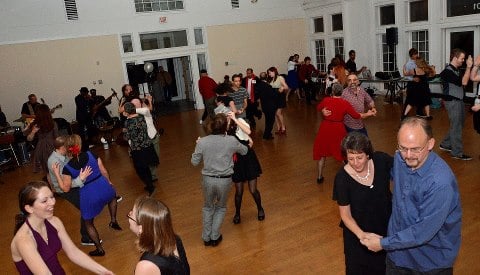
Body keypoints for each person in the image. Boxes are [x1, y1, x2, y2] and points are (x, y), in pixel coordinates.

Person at [361, 117, 462, 274]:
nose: (408, 155)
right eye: (403, 148)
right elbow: (390, 175)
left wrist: (383, 243)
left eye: (415, 149)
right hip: (397, 257)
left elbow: (422, 232)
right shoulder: (401, 160)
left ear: (430, 144)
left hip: (430, 262)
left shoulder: (440, 183)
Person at [11, 181, 114, 274]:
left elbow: (73, 252)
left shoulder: (54, 222)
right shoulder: (24, 240)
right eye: (44, 201)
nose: (52, 202)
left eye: (52, 197)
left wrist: (103, 271)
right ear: (29, 208)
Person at [51, 134, 122, 256]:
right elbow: (103, 171)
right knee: (112, 197)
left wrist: (57, 173)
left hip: (88, 193)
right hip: (102, 184)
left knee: (88, 222)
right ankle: (113, 220)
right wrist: (108, 182)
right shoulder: (91, 154)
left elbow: (65, 188)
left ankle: (99, 249)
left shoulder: (67, 168)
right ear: (80, 144)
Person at [332, 132, 393, 275]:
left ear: (368, 154)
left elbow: (404, 173)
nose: (355, 163)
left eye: (359, 157)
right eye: (350, 158)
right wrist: (363, 236)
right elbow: (345, 215)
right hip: (358, 235)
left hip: (385, 228)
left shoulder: (381, 160)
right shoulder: (342, 179)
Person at [191, 113, 248, 247]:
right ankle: (215, 236)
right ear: (225, 127)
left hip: (208, 180)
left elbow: (194, 162)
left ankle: (206, 237)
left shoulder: (203, 142)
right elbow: (245, 151)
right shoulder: (231, 141)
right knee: (221, 208)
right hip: (225, 180)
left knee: (208, 207)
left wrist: (198, 145)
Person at [314, 83, 375, 183]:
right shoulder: (344, 103)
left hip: (325, 128)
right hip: (338, 128)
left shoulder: (326, 100)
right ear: (341, 92)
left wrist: (323, 111)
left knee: (322, 153)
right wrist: (368, 113)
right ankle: (351, 175)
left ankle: (319, 177)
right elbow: (356, 116)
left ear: (332, 91)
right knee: (342, 153)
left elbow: (318, 107)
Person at [219, 108, 264, 225]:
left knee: (253, 190)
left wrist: (235, 119)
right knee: (238, 191)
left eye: (228, 114)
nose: (227, 116)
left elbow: (248, 132)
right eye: (225, 115)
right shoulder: (223, 128)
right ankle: (237, 213)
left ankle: (260, 208)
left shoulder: (239, 121)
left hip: (248, 156)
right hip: (236, 159)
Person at [47, 136, 93, 245]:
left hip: (71, 184)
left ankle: (87, 233)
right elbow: (65, 184)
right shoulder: (54, 161)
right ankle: (85, 237)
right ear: (62, 147)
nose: (70, 147)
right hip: (65, 189)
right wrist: (81, 180)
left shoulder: (63, 155)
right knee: (86, 207)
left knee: (88, 206)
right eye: (67, 146)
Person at [128, 196, 190, 274]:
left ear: (141, 228)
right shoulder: (174, 238)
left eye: (131, 214)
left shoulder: (146, 266)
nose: (129, 214)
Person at [438, 48, 473, 161]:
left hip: (459, 101)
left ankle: (445, 144)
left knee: (458, 124)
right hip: (452, 102)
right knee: (457, 126)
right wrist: (469, 67)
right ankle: (457, 153)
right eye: (462, 58)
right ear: (455, 58)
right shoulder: (447, 72)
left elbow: (465, 82)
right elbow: (463, 82)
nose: (463, 60)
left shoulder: (457, 70)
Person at [123, 102, 159, 195]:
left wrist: (124, 131)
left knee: (140, 170)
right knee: (146, 167)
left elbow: (126, 138)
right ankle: (149, 184)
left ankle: (151, 187)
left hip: (138, 150)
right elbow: (147, 110)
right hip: (148, 146)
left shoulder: (127, 122)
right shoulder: (142, 117)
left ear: (126, 112)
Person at [24, 104, 58, 174]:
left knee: (47, 171)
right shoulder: (52, 123)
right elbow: (57, 137)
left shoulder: (36, 124)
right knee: (55, 169)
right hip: (52, 147)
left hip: (41, 148)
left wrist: (32, 131)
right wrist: (33, 131)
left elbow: (29, 139)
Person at [255, 72, 277, 140]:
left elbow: (257, 96)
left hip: (264, 106)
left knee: (267, 120)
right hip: (270, 106)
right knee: (271, 121)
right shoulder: (268, 86)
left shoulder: (258, 85)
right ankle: (266, 135)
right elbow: (274, 96)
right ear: (266, 77)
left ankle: (267, 133)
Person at [267, 67, 289, 135]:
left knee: (278, 113)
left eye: (270, 72)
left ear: (274, 72)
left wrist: (282, 87)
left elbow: (286, 87)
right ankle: (278, 128)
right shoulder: (270, 79)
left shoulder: (280, 78)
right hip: (273, 97)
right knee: (275, 113)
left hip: (280, 97)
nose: (269, 74)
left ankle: (283, 127)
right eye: (268, 73)